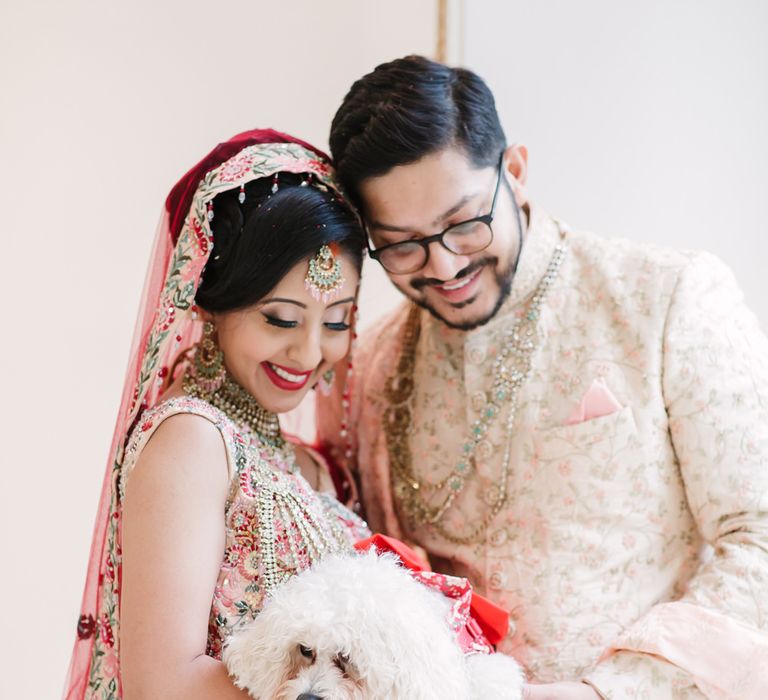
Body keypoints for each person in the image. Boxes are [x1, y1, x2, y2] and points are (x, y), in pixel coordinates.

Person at [318, 56, 768, 699]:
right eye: (403, 245)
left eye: (466, 222)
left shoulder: (664, 298)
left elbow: (758, 533)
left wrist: (608, 691)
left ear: (516, 174)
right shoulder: (371, 363)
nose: (444, 266)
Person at [63, 130, 371, 699]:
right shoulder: (191, 442)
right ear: (210, 301)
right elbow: (164, 684)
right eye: (280, 318)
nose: (308, 354)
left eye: (335, 322)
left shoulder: (299, 461)